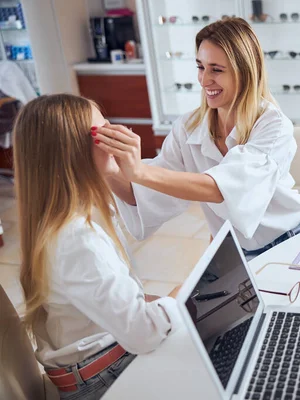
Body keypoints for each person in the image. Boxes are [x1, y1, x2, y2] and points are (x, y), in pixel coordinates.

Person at [94, 18, 300, 259]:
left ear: (246, 73)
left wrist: (139, 171)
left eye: (216, 70)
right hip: (237, 254)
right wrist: (107, 166)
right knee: (185, 297)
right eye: (200, 67)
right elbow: (142, 194)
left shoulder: (273, 125)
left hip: (292, 240)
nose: (204, 79)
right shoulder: (188, 129)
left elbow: (223, 189)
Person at [13, 94, 181, 399]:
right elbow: (143, 334)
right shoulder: (76, 240)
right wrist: (180, 297)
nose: (118, 135)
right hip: (103, 377)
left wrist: (119, 170)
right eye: (103, 131)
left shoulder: (67, 217)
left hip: (99, 363)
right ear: (71, 152)